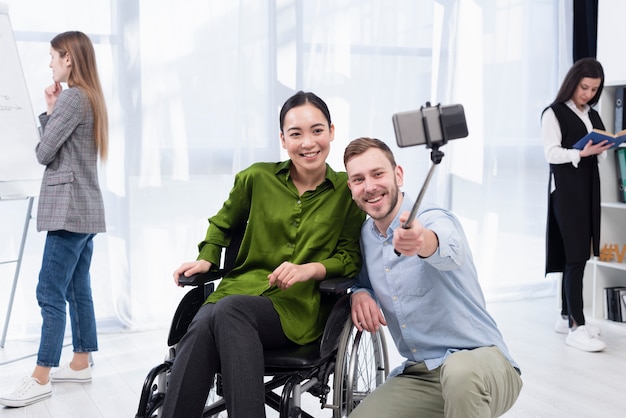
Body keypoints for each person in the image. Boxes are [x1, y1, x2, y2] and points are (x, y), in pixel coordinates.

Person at [160, 91, 364, 418]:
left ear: (332, 131)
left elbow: (350, 257)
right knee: (208, 320)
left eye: (317, 130)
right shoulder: (256, 178)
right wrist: (208, 257)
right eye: (296, 134)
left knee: (221, 313)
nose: (308, 142)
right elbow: (222, 223)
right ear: (283, 140)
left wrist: (309, 269)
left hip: (295, 308)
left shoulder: (348, 190)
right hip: (236, 294)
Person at [343, 137, 522, 418]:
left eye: (378, 174)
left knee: (460, 373)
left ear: (398, 175)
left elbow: (448, 248)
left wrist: (421, 241)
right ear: (351, 188)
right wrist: (360, 293)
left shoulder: (434, 218)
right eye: (358, 179)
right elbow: (363, 280)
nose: (370, 186)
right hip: (422, 375)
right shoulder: (366, 237)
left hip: (483, 364)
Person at [0, 31, 108, 408]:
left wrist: (49, 112)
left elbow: (44, 153)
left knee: (49, 291)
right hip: (85, 208)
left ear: (69, 59)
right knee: (77, 288)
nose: (49, 63)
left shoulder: (74, 98)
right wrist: (52, 109)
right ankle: (80, 362)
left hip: (68, 210)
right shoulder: (88, 97)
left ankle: (40, 375)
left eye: (53, 57)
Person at [542, 57, 611, 352]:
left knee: (578, 254)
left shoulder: (592, 115)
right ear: (573, 83)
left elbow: (602, 155)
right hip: (566, 193)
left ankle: (564, 316)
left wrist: (603, 148)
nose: (589, 94)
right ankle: (576, 326)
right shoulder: (553, 113)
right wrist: (581, 153)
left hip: (587, 191)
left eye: (594, 90)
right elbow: (551, 153)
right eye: (585, 88)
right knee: (575, 258)